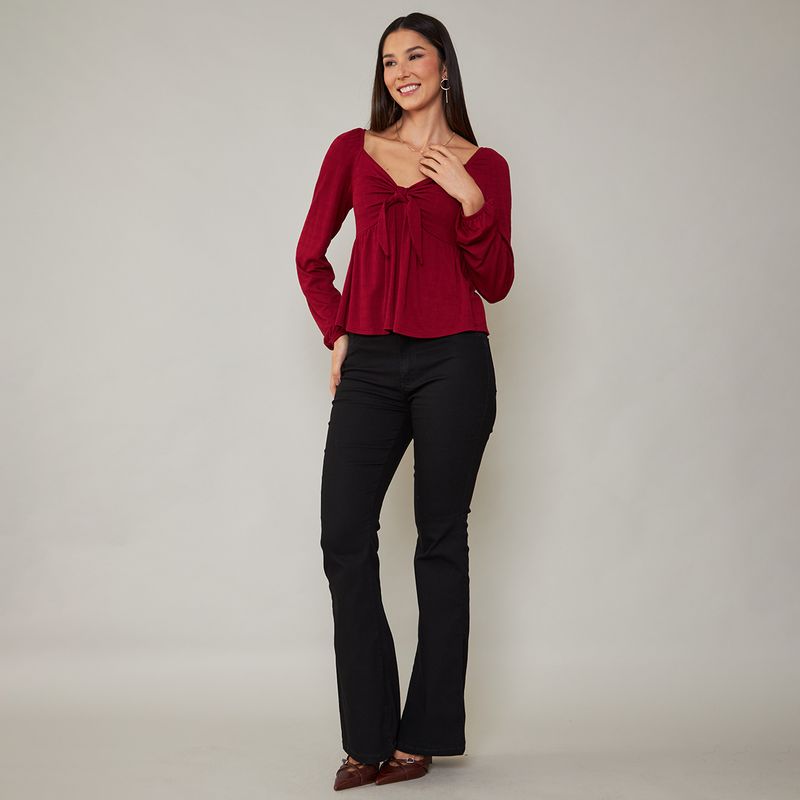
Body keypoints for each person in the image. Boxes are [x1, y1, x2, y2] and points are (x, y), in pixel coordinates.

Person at [295, 12, 514, 791]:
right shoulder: (351, 151)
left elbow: (497, 282)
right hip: (371, 365)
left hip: (455, 362)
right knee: (343, 536)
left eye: (415, 55)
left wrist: (469, 199)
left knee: (440, 541)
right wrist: (338, 331)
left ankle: (422, 737)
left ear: (445, 67)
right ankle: (367, 736)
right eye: (389, 60)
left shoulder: (484, 166)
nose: (401, 70)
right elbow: (310, 254)